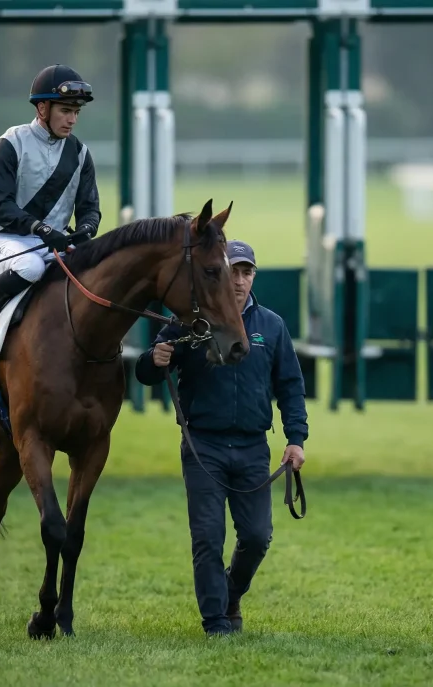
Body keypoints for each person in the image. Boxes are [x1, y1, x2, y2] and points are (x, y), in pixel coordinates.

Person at [134, 240, 309, 637]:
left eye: (247, 272)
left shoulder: (272, 326)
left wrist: (296, 439)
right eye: (233, 271)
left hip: (252, 449)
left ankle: (230, 596)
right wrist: (154, 359)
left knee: (257, 536)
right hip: (204, 448)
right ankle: (216, 623)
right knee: (208, 539)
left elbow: (291, 387)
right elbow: (148, 370)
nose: (240, 280)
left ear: (253, 278)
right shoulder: (188, 322)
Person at [0, 64, 103, 350]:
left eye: (76, 112)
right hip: (11, 241)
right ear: (42, 109)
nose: (72, 119)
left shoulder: (80, 154)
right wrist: (40, 227)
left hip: (56, 244)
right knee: (30, 267)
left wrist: (87, 228)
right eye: (65, 110)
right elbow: (1, 206)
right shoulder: (9, 144)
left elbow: (89, 207)